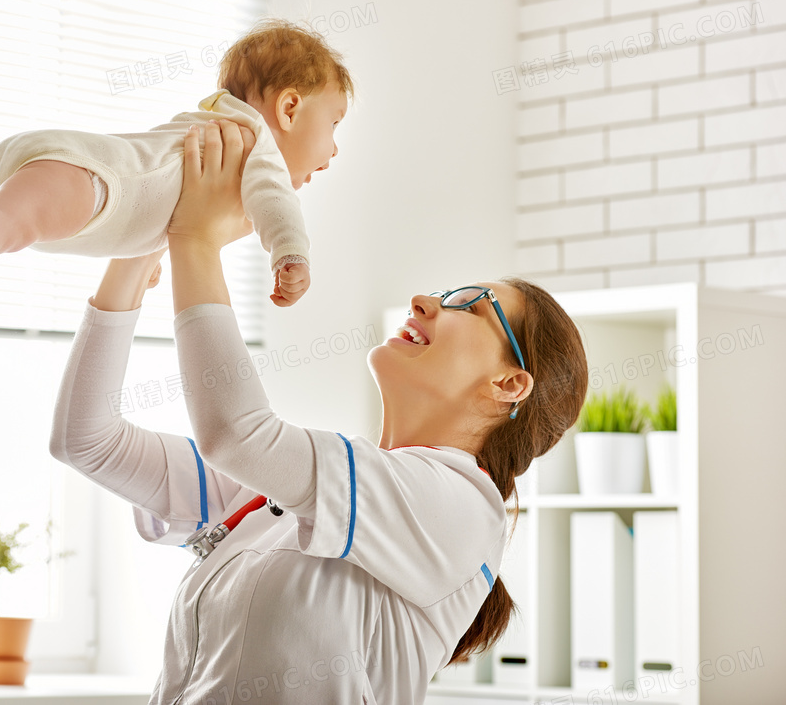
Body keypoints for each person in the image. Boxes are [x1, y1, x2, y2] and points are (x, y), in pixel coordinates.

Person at [49, 120, 589, 703]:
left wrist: (196, 238)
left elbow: (238, 434)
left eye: (470, 305)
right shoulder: (295, 493)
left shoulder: (460, 507)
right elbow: (87, 441)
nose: (426, 300)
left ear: (509, 384)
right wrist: (141, 246)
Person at [0, 20, 352, 357]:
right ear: (288, 108)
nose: (333, 151)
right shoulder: (250, 140)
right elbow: (274, 200)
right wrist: (290, 252)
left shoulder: (210, 122)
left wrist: (146, 251)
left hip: (61, 160)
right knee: (5, 228)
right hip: (95, 183)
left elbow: (161, 197)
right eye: (333, 125)